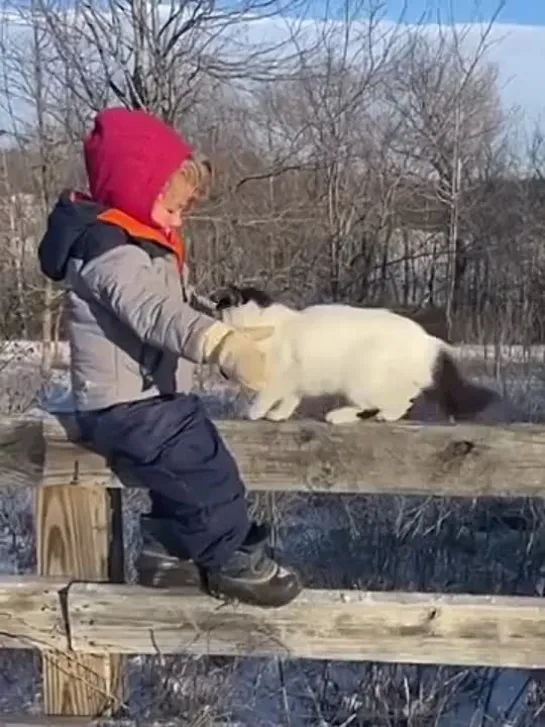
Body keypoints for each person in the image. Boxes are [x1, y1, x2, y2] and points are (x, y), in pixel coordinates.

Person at [37, 106, 302, 608]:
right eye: (174, 208)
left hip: (147, 398)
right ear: (136, 188)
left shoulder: (138, 241)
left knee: (196, 458)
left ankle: (169, 553)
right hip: (123, 404)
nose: (180, 220)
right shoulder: (106, 248)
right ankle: (229, 561)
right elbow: (154, 312)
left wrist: (229, 330)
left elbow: (176, 305)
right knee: (203, 470)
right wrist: (218, 345)